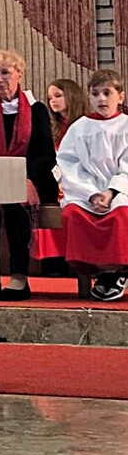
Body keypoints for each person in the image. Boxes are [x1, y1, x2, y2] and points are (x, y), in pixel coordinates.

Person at [0, 49, 58, 300]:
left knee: (17, 204)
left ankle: (19, 276)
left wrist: (23, 177)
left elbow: (46, 155)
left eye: (5, 72)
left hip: (31, 178)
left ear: (19, 74)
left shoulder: (37, 109)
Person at [57, 69, 128, 301]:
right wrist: (92, 194)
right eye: (95, 94)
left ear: (121, 96)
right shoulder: (80, 128)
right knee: (74, 214)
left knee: (121, 214)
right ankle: (97, 271)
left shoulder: (126, 126)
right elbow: (68, 164)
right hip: (86, 191)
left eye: (107, 93)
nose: (101, 99)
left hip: (120, 189)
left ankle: (118, 271)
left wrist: (111, 191)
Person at [46, 78, 88, 148]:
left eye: (58, 96)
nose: (53, 101)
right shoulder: (53, 128)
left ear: (72, 96)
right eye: (50, 98)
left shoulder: (86, 124)